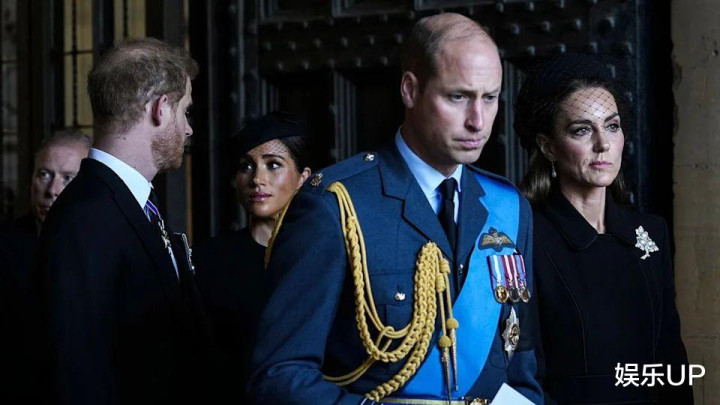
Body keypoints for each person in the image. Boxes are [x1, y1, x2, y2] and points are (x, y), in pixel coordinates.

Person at [249, 13, 543, 404]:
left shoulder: (508, 207)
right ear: (410, 90)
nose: (478, 121)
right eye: (458, 97)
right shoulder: (336, 206)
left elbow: (520, 370)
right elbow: (279, 375)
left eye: (489, 98)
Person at [36, 38, 209, 405]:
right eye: (185, 112)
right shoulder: (84, 218)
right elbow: (78, 373)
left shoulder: (133, 202)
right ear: (161, 109)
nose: (189, 129)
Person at [514, 53, 693, 404]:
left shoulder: (650, 232)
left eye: (612, 126)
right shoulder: (527, 236)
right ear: (548, 146)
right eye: (582, 130)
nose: (604, 144)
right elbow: (524, 371)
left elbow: (671, 357)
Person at [192, 111, 311, 404]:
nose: (257, 179)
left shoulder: (319, 259)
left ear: (302, 178)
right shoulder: (207, 260)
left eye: (273, 165)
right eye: (246, 166)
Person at [0, 129, 90, 403]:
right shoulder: (5, 248)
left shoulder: (104, 248)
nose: (52, 191)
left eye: (68, 178)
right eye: (44, 174)